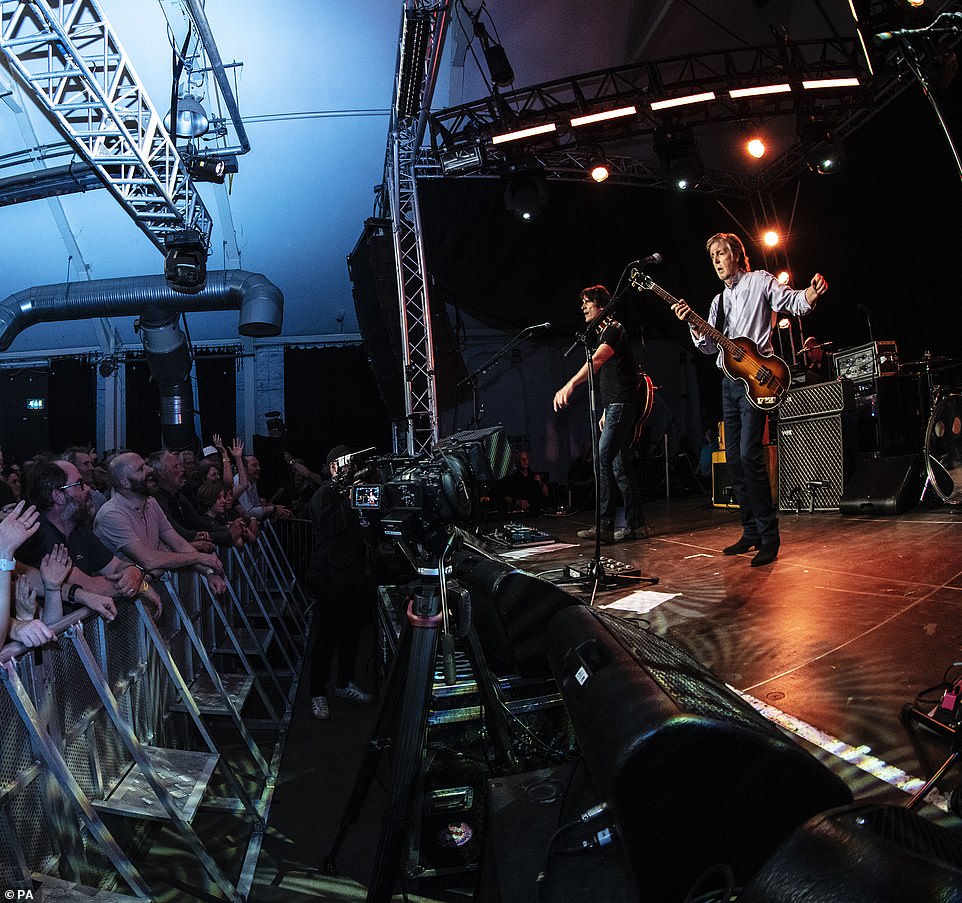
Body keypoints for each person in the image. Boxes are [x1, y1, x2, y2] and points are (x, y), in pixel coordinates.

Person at [673, 232, 828, 567]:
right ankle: (751, 531)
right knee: (732, 460)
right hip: (729, 383)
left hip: (758, 380)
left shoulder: (759, 281)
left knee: (748, 455)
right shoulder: (718, 302)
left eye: (721, 253)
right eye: (712, 255)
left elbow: (791, 301)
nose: (715, 260)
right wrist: (693, 326)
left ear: (736, 254)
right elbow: (708, 347)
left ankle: (770, 536)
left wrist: (811, 294)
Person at [553, 284, 649, 542]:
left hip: (622, 406)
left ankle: (605, 525)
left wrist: (570, 384)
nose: (583, 307)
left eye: (587, 302)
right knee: (619, 465)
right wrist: (607, 408)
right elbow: (615, 376)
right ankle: (636, 525)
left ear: (601, 305)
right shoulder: (603, 332)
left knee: (601, 458)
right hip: (617, 406)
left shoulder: (613, 330)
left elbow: (597, 361)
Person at [306, 444, 375, 721]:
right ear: (333, 466)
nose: (351, 467)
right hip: (330, 575)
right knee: (326, 636)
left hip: (355, 574)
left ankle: (345, 682)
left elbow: (372, 522)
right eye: (346, 463)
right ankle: (316, 693)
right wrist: (348, 499)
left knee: (352, 632)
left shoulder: (359, 489)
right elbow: (328, 527)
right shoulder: (324, 494)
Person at [93, 452, 226, 594]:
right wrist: (199, 557)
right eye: (141, 469)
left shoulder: (151, 502)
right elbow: (148, 560)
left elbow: (179, 544)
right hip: (120, 602)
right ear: (125, 482)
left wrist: (209, 571)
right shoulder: (111, 514)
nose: (150, 470)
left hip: (141, 592)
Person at [499, 449, 550, 514]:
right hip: (521, 513)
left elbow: (546, 494)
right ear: (518, 462)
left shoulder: (535, 476)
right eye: (522, 459)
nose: (525, 461)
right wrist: (517, 502)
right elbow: (503, 496)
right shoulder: (512, 479)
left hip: (537, 512)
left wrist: (540, 482)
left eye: (526, 458)